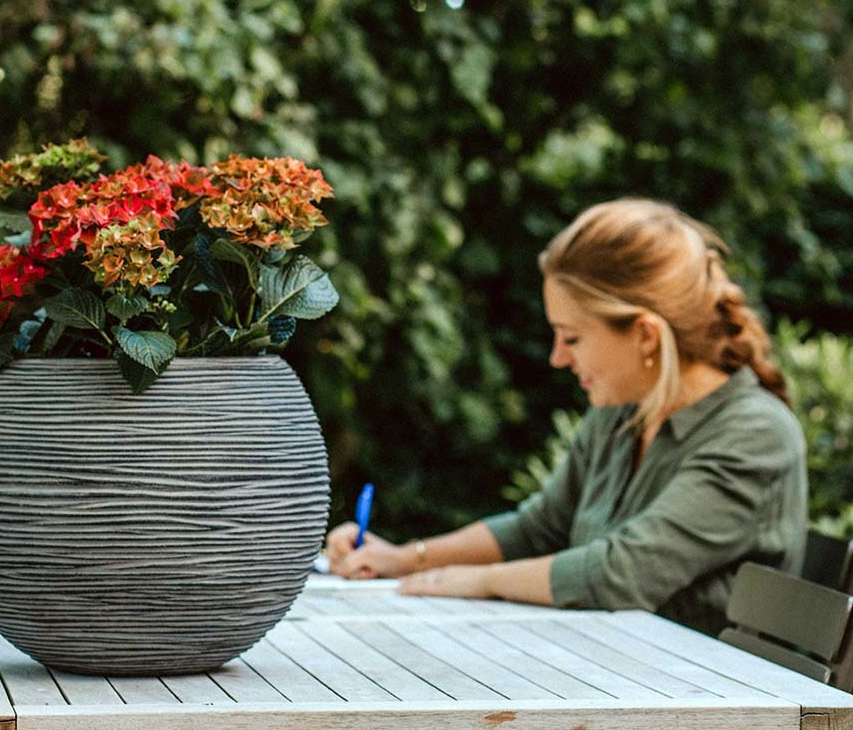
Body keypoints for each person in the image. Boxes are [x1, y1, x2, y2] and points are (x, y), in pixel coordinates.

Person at [325, 197, 807, 636]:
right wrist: (403, 559)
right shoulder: (624, 410)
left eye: (572, 338)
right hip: (612, 677)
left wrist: (479, 581)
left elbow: (622, 576)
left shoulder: (755, 434)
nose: (557, 358)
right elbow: (539, 528)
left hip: (712, 711)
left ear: (644, 334)